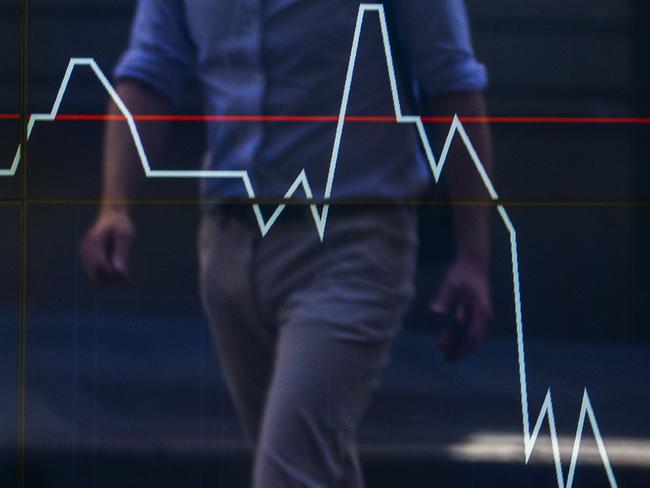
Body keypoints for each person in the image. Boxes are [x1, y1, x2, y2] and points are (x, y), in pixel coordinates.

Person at [81, 1, 493, 486]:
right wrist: (115, 206)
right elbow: (149, 73)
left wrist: (473, 256)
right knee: (314, 466)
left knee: (289, 471)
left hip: (353, 245)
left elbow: (452, 87)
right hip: (229, 247)